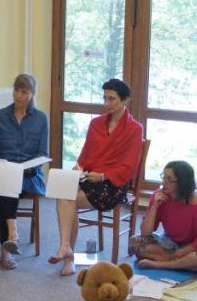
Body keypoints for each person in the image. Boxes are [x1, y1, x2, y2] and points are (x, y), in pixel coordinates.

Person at [50, 78, 144, 277]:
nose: (107, 103)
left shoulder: (135, 129)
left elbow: (129, 166)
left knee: (68, 198)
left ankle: (68, 253)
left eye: (112, 99)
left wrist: (102, 176)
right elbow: (85, 155)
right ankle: (67, 249)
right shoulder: (96, 124)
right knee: (63, 191)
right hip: (90, 177)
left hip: (113, 183)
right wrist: (79, 168)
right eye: (105, 98)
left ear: (125, 100)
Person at [0, 74, 49, 270]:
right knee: (7, 180)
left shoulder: (41, 119)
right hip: (3, 170)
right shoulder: (0, 115)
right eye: (16, 91)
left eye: (24, 92)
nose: (18, 96)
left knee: (8, 184)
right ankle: (12, 234)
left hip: (29, 174)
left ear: (32, 94)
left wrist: (26, 167)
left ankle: (7, 246)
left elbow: (43, 153)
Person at [128, 160, 197, 271]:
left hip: (195, 246)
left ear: (182, 182)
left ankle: (161, 264)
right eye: (163, 177)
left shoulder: (196, 200)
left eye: (169, 179)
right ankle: (181, 263)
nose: (164, 182)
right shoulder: (158, 195)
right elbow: (145, 233)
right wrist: (154, 207)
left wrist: (180, 253)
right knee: (135, 242)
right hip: (171, 243)